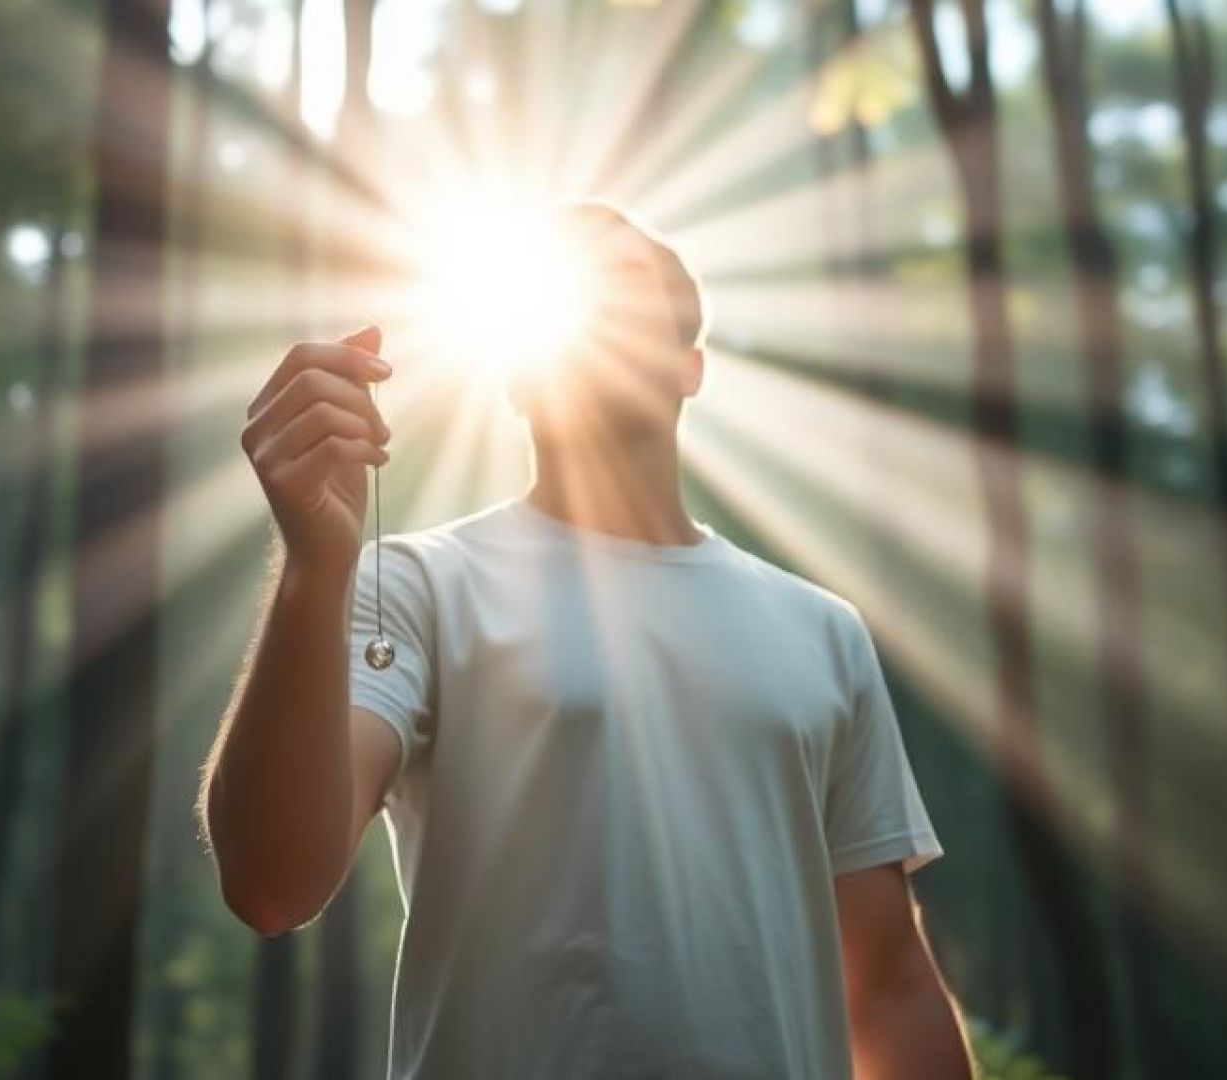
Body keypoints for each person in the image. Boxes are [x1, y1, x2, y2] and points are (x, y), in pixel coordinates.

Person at [199, 202, 973, 1078]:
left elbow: (889, 985)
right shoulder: (415, 586)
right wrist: (311, 570)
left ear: (691, 368)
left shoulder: (823, 632)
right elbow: (271, 884)